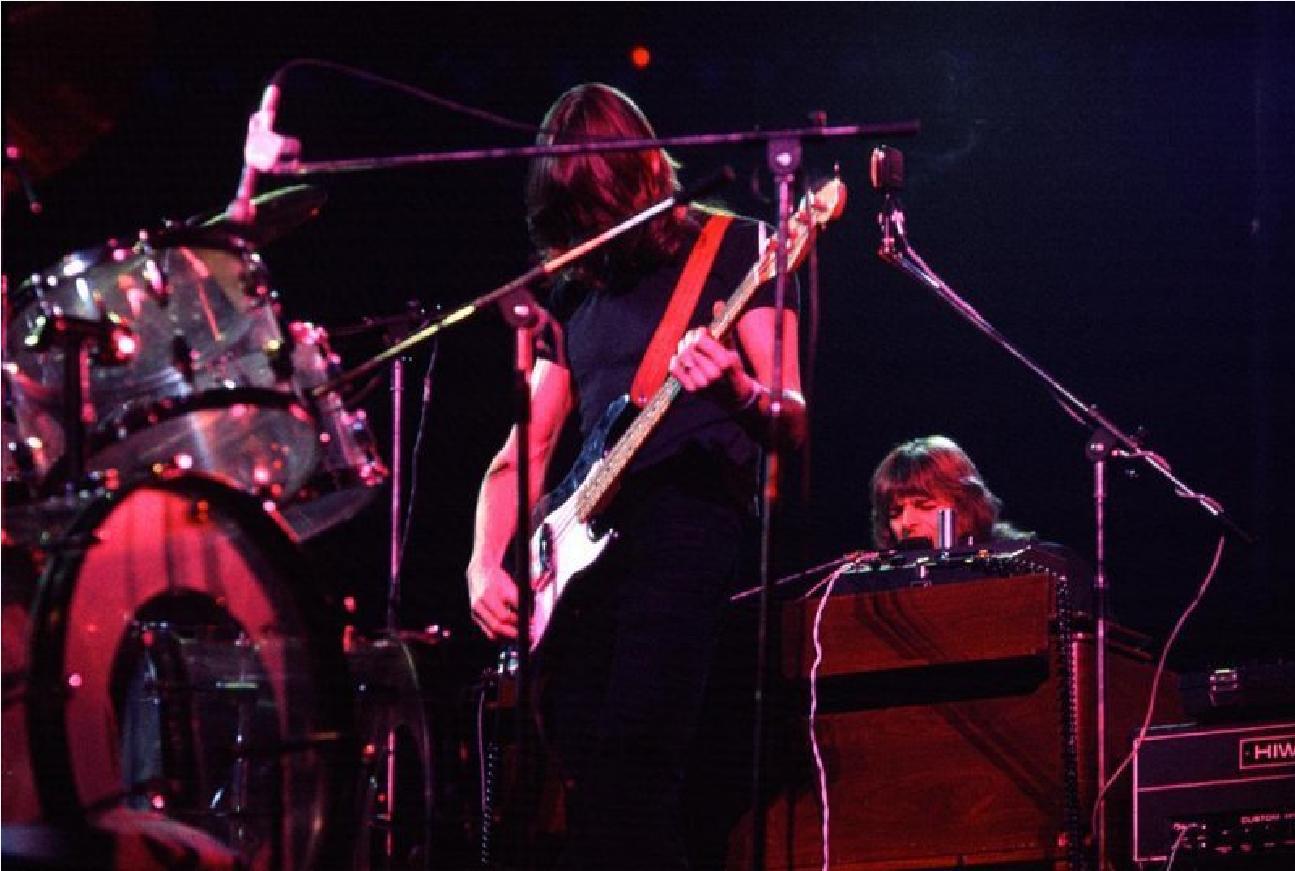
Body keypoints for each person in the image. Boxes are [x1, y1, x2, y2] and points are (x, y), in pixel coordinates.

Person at [465, 83, 806, 869]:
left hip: (688, 526)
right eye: (575, 212)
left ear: (641, 173)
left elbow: (789, 413)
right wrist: (483, 560)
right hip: (584, 568)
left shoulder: (737, 247)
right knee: (592, 790)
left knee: (631, 779)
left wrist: (736, 389)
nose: (593, 224)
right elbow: (524, 449)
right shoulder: (572, 292)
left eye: (602, 200)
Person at [869, 434, 1032, 550]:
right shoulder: (885, 582)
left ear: (965, 505)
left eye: (924, 506)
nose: (907, 523)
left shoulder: (1024, 565)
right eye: (895, 513)